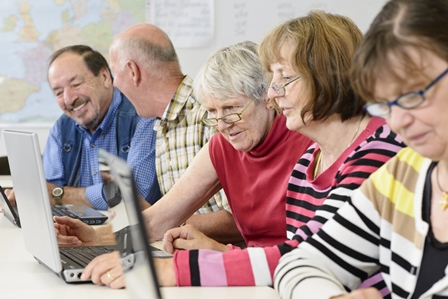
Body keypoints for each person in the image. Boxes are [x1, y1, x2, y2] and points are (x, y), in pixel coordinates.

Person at [152, 10, 405, 288]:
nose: (271, 93)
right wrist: (222, 254)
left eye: (283, 78)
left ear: (324, 76)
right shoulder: (310, 162)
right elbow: (299, 263)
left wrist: (177, 270)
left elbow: (309, 258)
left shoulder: (378, 151)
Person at [54, 40, 313, 288]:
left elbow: (312, 256)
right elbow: (159, 219)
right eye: (212, 112)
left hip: (288, 278)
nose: (222, 125)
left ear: (267, 99)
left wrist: (220, 253)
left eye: (231, 108)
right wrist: (97, 236)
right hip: (246, 274)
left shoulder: (306, 142)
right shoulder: (222, 146)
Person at [274, 1, 448, 298]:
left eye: (413, 94)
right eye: (385, 104)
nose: (398, 122)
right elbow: (298, 263)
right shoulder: (405, 173)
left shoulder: (383, 156)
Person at [107, 23, 237, 242]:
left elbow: (237, 220)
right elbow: (169, 215)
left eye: (114, 75)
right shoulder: (161, 122)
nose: (114, 85)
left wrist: (164, 223)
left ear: (133, 71)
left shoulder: (209, 115)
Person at [6, 45, 160, 210]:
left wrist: (60, 195)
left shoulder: (142, 116)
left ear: (105, 77)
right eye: (58, 93)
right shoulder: (62, 128)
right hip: (77, 231)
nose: (68, 99)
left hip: (130, 232)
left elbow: (135, 199)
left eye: (76, 84)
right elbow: (45, 191)